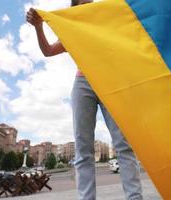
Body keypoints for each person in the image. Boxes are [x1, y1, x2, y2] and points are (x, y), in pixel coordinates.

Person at [26, 1, 143, 199]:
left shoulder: (103, 21)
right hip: (82, 84)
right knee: (83, 149)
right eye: (80, 0)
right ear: (74, 6)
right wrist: (39, 26)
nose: (86, 2)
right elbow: (48, 51)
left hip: (109, 82)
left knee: (123, 144)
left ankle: (135, 197)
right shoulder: (70, 29)